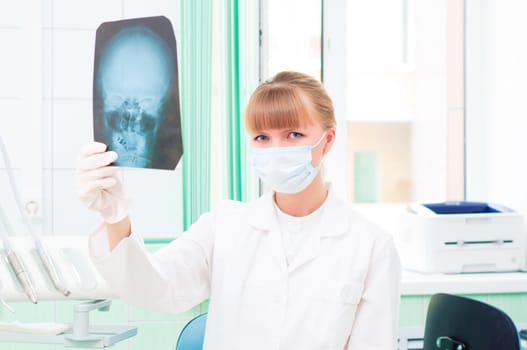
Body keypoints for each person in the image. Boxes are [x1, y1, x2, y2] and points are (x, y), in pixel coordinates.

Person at [75, 71, 401, 349]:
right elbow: (155, 290)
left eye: (294, 134)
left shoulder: (370, 246)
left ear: (327, 141)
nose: (276, 149)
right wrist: (115, 216)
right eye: (262, 137)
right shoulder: (224, 226)